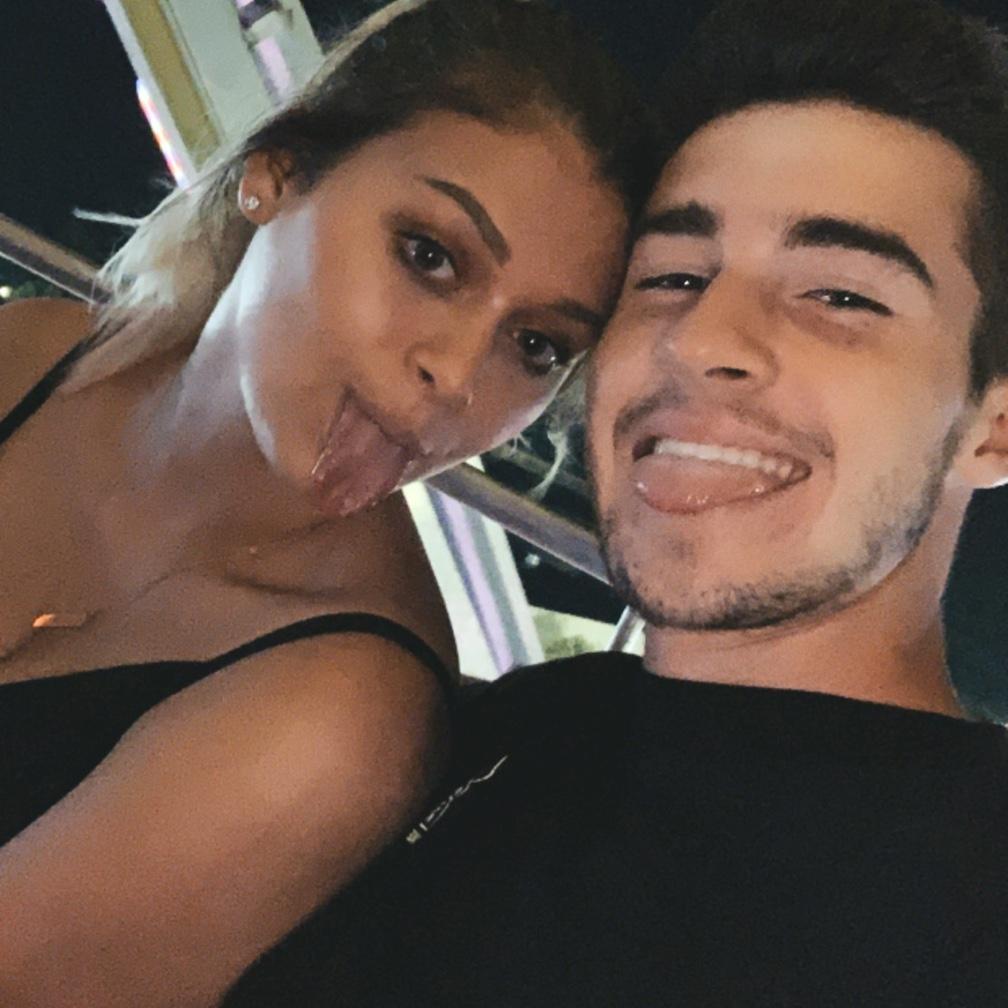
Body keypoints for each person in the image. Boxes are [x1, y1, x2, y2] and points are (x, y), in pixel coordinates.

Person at [222, 0, 1008, 1004]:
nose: (701, 337)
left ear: (993, 429)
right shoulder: (498, 735)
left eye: (840, 296)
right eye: (671, 275)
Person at [0, 1, 654, 1004]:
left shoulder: (338, 716)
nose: (455, 373)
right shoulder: (30, 354)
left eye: (536, 346)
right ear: (276, 176)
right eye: (430, 255)